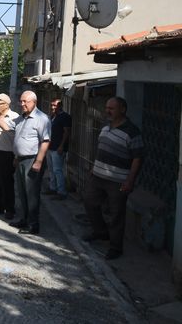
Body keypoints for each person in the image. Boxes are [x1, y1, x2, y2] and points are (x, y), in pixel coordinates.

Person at [83, 97, 143, 260]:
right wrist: (93, 167)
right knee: (89, 202)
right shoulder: (105, 127)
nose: (107, 111)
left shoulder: (132, 131)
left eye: (112, 108)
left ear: (122, 109)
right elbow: (101, 148)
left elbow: (138, 158)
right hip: (98, 176)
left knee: (116, 214)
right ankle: (101, 232)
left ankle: (116, 247)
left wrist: (130, 180)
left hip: (118, 180)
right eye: (107, 107)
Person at [0, 90, 51, 235]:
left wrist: (38, 161)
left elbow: (45, 141)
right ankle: (24, 219)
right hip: (21, 160)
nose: (22, 104)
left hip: (33, 160)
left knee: (32, 194)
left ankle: (33, 225)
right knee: (22, 192)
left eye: (25, 101)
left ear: (34, 102)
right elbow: (6, 126)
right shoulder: (21, 119)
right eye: (21, 101)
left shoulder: (42, 119)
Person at [45, 98, 72, 200]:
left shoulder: (65, 117)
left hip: (58, 148)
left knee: (58, 170)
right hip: (50, 147)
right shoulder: (53, 117)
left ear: (60, 106)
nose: (52, 107)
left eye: (55, 105)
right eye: (51, 105)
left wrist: (61, 146)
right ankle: (53, 188)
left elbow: (67, 132)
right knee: (51, 170)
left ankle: (61, 192)